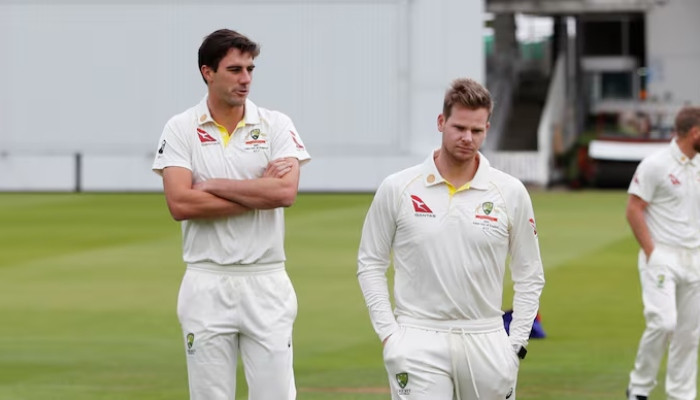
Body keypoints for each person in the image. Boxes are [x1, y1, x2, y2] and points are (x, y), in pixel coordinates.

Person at [357, 78, 545, 400]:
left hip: (486, 336)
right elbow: (370, 263)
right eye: (459, 127)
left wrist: (515, 344)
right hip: (418, 335)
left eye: (476, 130)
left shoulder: (510, 192)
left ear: (486, 129)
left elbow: (530, 273)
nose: (467, 138)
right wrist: (390, 335)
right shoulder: (398, 187)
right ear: (441, 122)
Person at [152, 29, 310, 400]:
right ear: (207, 72)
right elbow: (180, 204)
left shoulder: (276, 125)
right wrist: (258, 192)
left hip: (266, 280)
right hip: (206, 280)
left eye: (250, 69)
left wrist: (211, 185)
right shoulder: (181, 128)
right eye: (235, 69)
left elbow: (284, 193)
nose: (246, 79)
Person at [625, 106, 700, 400]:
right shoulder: (655, 164)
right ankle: (639, 388)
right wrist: (651, 252)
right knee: (663, 323)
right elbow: (634, 209)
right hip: (661, 256)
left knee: (689, 333)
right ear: (694, 132)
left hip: (694, 259)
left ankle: (681, 394)